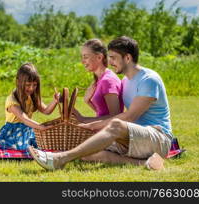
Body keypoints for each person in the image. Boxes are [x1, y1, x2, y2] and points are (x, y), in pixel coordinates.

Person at [28, 36, 172, 170]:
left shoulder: (149, 80)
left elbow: (129, 117)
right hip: (134, 137)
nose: (110, 62)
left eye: (114, 58)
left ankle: (60, 159)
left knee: (115, 125)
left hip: (159, 138)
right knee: (86, 151)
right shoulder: (126, 81)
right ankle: (144, 163)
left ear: (127, 58)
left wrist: (91, 125)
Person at [0, 62, 60, 150]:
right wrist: (42, 127)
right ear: (18, 82)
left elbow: (46, 111)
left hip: (27, 130)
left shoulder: (32, 97)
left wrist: (55, 101)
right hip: (13, 132)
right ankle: (1, 142)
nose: (31, 88)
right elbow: (25, 119)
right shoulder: (12, 101)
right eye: (28, 85)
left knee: (43, 144)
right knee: (24, 147)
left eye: (35, 85)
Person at [73, 38, 124, 123]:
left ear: (99, 57)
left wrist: (83, 119)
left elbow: (115, 117)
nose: (82, 61)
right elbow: (103, 113)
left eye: (86, 57)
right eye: (82, 57)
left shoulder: (108, 81)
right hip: (101, 130)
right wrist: (88, 101)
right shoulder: (100, 79)